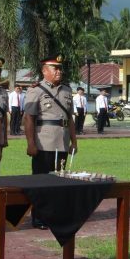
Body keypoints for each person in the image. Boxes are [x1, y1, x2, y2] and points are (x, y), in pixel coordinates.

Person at [23, 53, 77, 230]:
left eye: (60, 68)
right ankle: (38, 216)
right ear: (44, 71)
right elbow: (29, 119)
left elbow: (69, 119)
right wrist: (31, 143)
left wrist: (74, 142)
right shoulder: (35, 90)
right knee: (41, 181)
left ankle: (54, 214)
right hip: (43, 142)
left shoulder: (67, 90)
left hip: (61, 141)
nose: (59, 71)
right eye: (55, 68)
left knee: (58, 180)